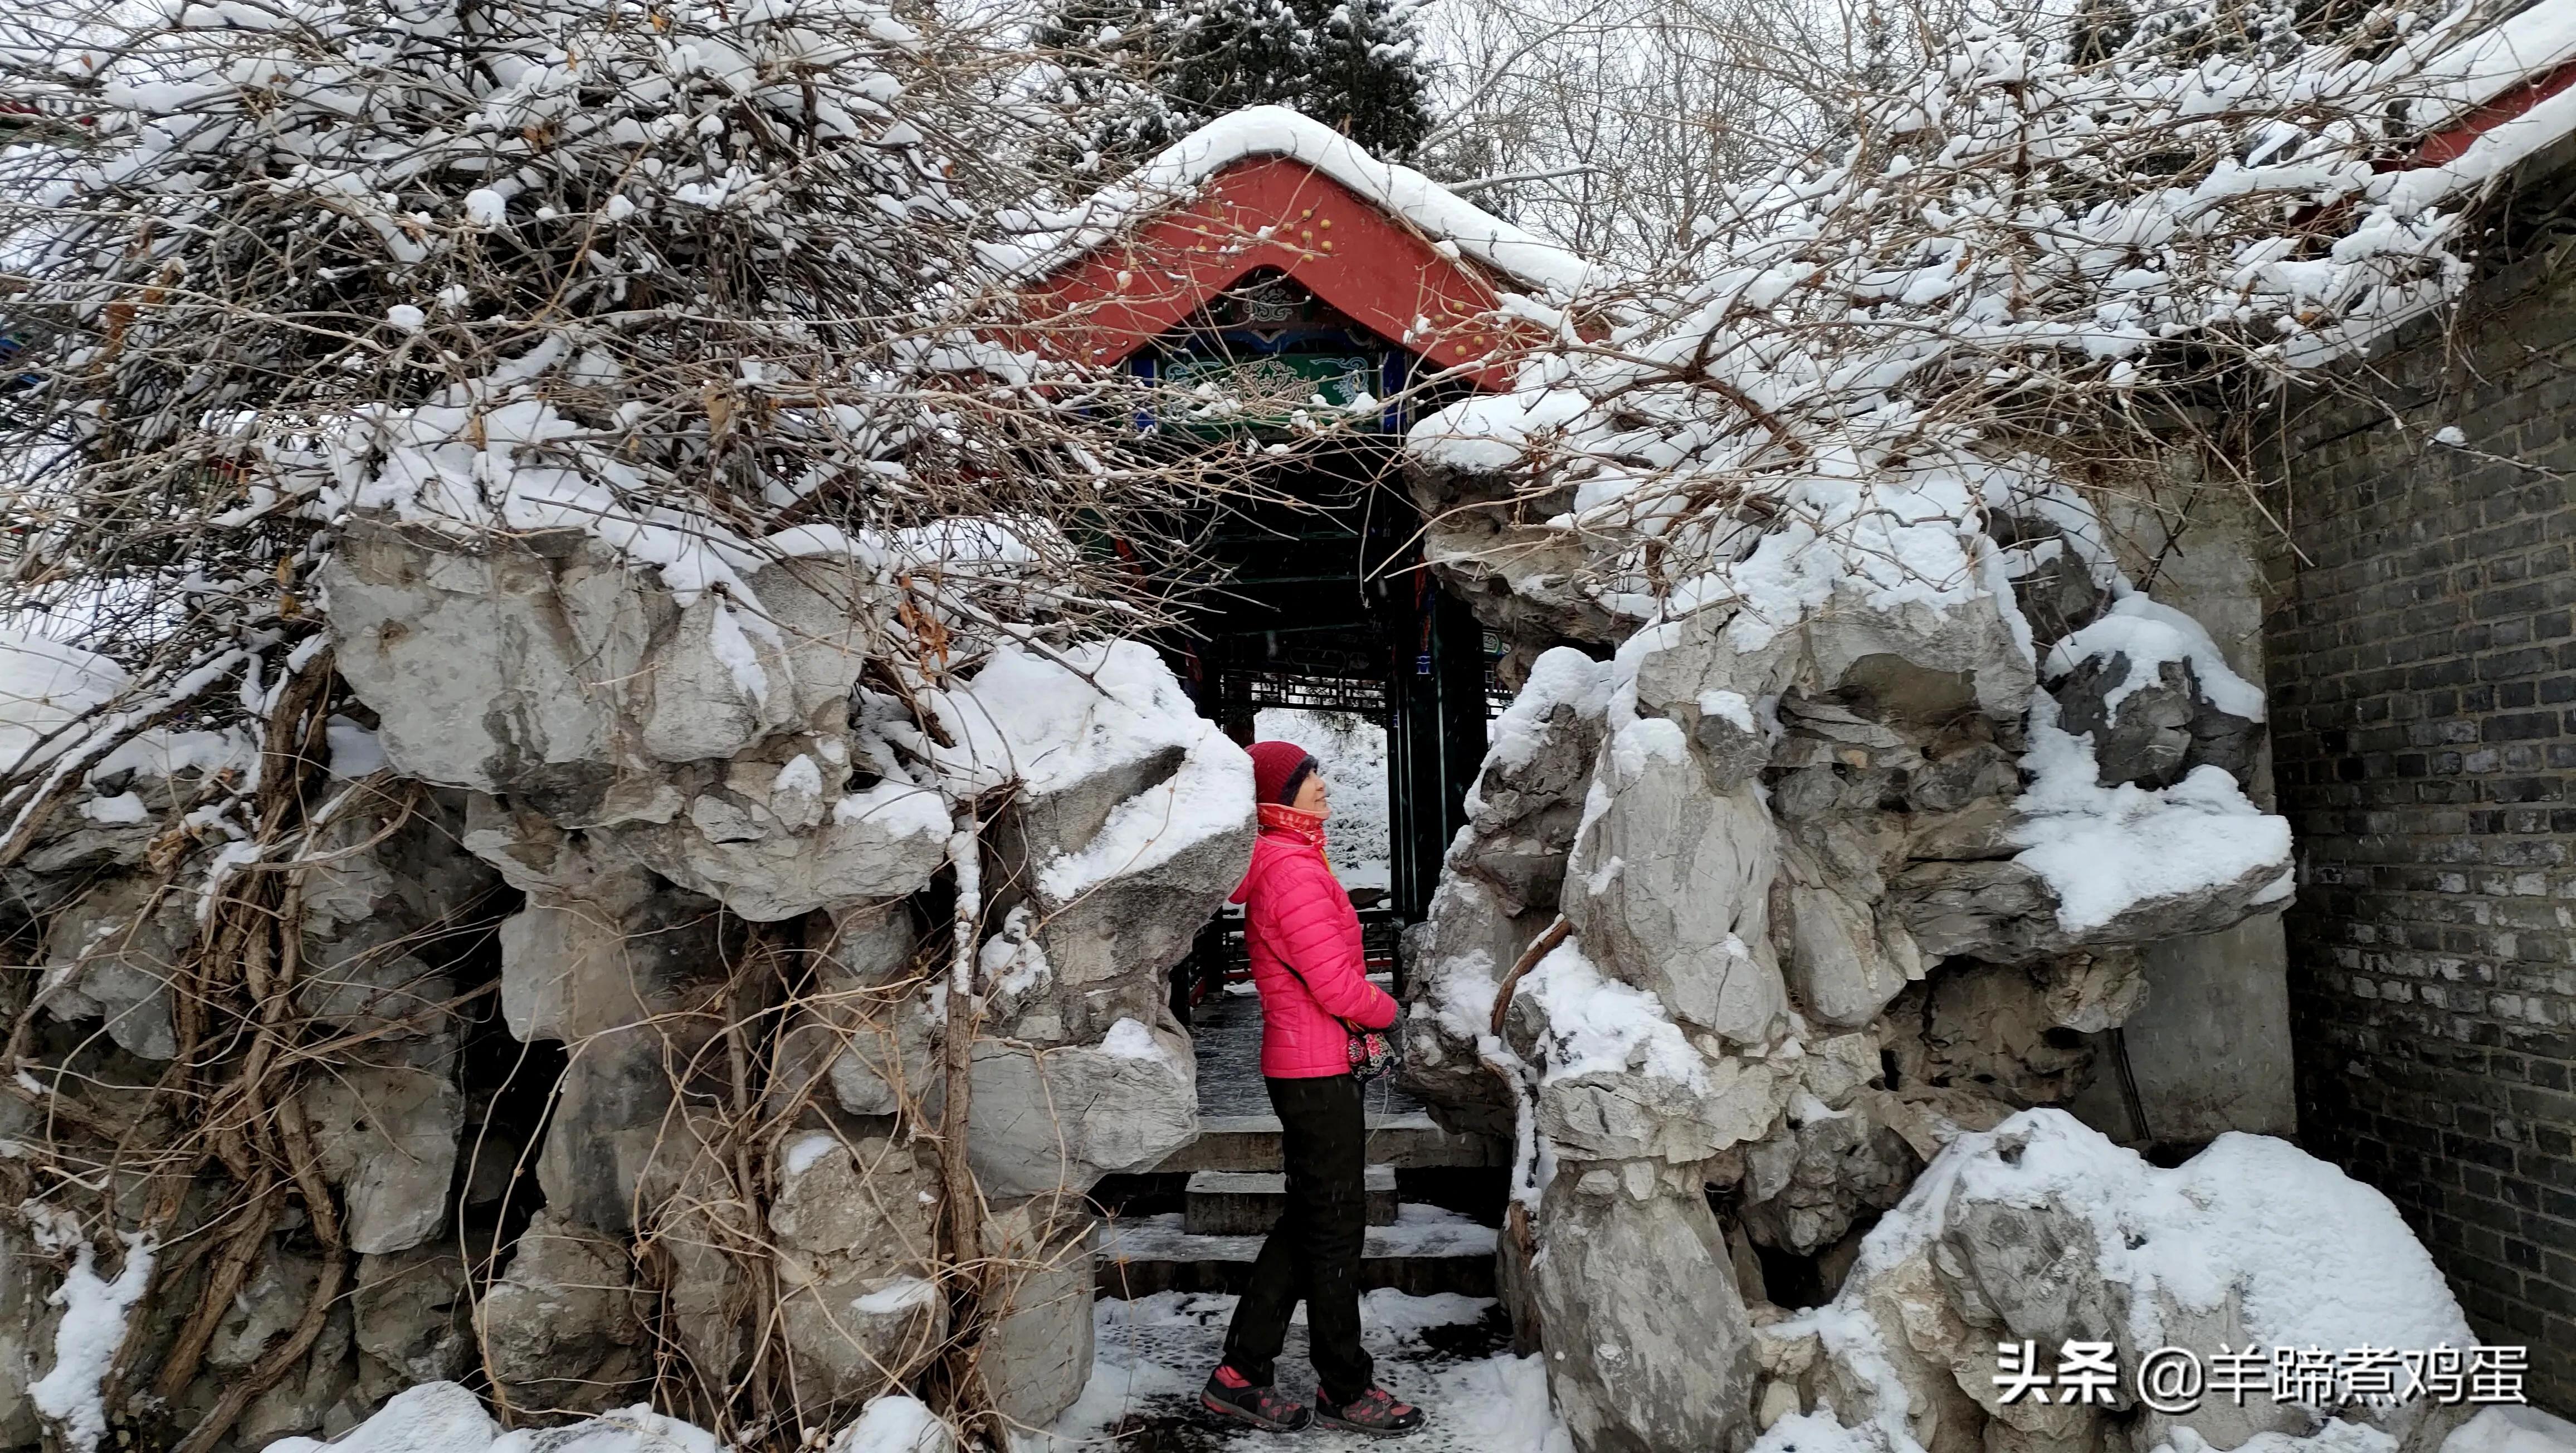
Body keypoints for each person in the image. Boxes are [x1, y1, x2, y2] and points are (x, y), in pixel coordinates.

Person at [1198, 740, 1427, 1437]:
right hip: (1315, 1070)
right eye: (1307, 778)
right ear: (1277, 798)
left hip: (1311, 1066)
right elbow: (1334, 986)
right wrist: (1396, 1012)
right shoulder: (1292, 871)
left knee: (1312, 1223)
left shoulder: (1292, 860)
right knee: (1333, 1233)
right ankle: (1344, 1387)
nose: (1322, 785)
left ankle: (1240, 1375)